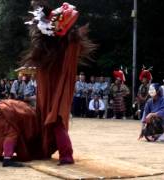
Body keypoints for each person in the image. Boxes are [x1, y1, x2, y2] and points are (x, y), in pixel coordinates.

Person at [23, 1, 95, 165]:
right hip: (53, 84)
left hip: (59, 86)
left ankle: (66, 155)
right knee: (52, 118)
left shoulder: (66, 47)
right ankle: (54, 150)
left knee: (55, 119)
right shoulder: (55, 50)